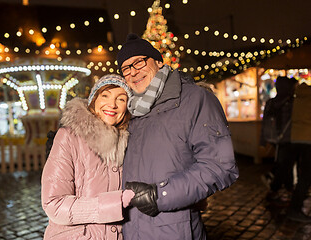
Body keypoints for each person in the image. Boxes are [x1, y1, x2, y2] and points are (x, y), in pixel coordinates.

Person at [117, 33, 239, 240]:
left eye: (138, 62)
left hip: (174, 230)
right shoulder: (129, 111)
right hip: (131, 230)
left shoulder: (195, 99)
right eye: (126, 68)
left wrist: (160, 196)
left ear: (157, 61)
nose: (133, 72)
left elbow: (220, 166)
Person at [41, 74, 135, 239]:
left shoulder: (131, 140)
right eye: (105, 96)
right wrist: (116, 202)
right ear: (94, 100)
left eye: (121, 99)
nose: (112, 104)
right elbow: (53, 204)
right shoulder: (69, 137)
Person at [260, 76, 298, 204]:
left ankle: (287, 188)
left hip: (275, 138)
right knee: (285, 164)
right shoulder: (292, 102)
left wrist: (263, 140)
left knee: (285, 164)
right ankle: (275, 189)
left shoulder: (271, 102)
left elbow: (265, 122)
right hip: (289, 138)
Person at [286, 82, 311, 223]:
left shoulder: (297, 98)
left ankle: (296, 205)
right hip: (308, 140)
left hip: (296, 139)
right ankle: (295, 208)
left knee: (303, 175)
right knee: (306, 176)